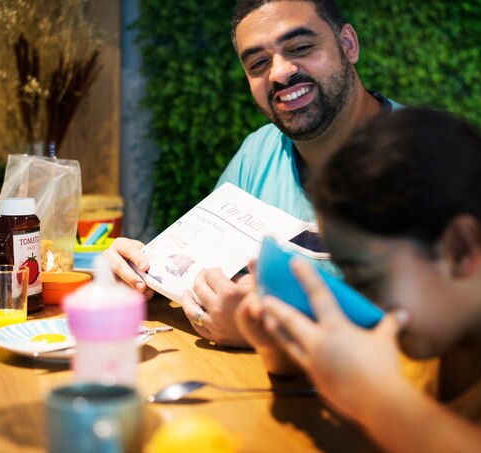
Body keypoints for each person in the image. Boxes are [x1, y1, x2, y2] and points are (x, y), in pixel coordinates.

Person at [235, 108, 481, 451]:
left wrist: (377, 400)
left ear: (460, 249)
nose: (360, 302)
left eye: (367, 280)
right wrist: (283, 353)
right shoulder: (439, 326)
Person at [105, 0, 401, 347]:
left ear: (348, 45)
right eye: (258, 63)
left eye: (301, 47)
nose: (279, 73)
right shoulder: (258, 153)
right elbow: (200, 274)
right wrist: (140, 277)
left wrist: (262, 329)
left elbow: (438, 337)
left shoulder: (432, 159)